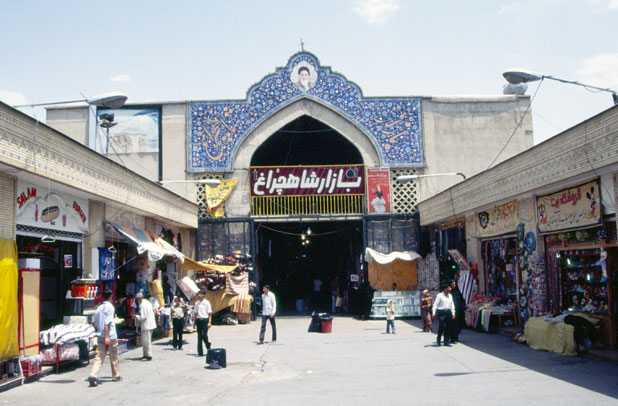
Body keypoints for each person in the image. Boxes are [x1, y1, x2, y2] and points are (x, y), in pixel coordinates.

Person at [88, 290, 121, 386]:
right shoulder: (110, 308)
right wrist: (107, 336)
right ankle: (115, 375)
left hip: (100, 335)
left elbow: (96, 323)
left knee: (99, 356)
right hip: (110, 336)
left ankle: (93, 375)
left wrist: (100, 332)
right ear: (110, 296)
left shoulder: (99, 308)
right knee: (114, 356)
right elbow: (107, 323)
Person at [135, 292, 156, 360]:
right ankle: (146, 354)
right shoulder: (148, 303)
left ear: (139, 299)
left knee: (146, 341)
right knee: (146, 340)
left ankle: (148, 355)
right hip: (150, 324)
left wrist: (136, 316)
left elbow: (143, 316)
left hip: (147, 325)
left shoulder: (142, 305)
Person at [192, 290, 212, 356]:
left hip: (205, 320)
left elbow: (209, 313)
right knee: (199, 337)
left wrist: (209, 322)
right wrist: (194, 323)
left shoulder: (207, 303)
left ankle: (208, 345)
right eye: (198, 294)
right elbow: (195, 313)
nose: (199, 295)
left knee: (205, 335)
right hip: (198, 320)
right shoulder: (196, 303)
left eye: (200, 294)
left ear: (204, 295)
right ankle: (200, 352)